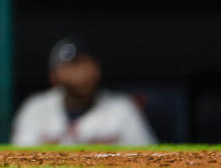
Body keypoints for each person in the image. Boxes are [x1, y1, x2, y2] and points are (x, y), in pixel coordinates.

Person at [11, 36, 157, 146]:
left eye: (84, 63)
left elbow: (150, 160)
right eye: (71, 65)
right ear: (54, 76)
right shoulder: (36, 108)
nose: (79, 72)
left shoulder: (122, 108)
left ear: (97, 69)